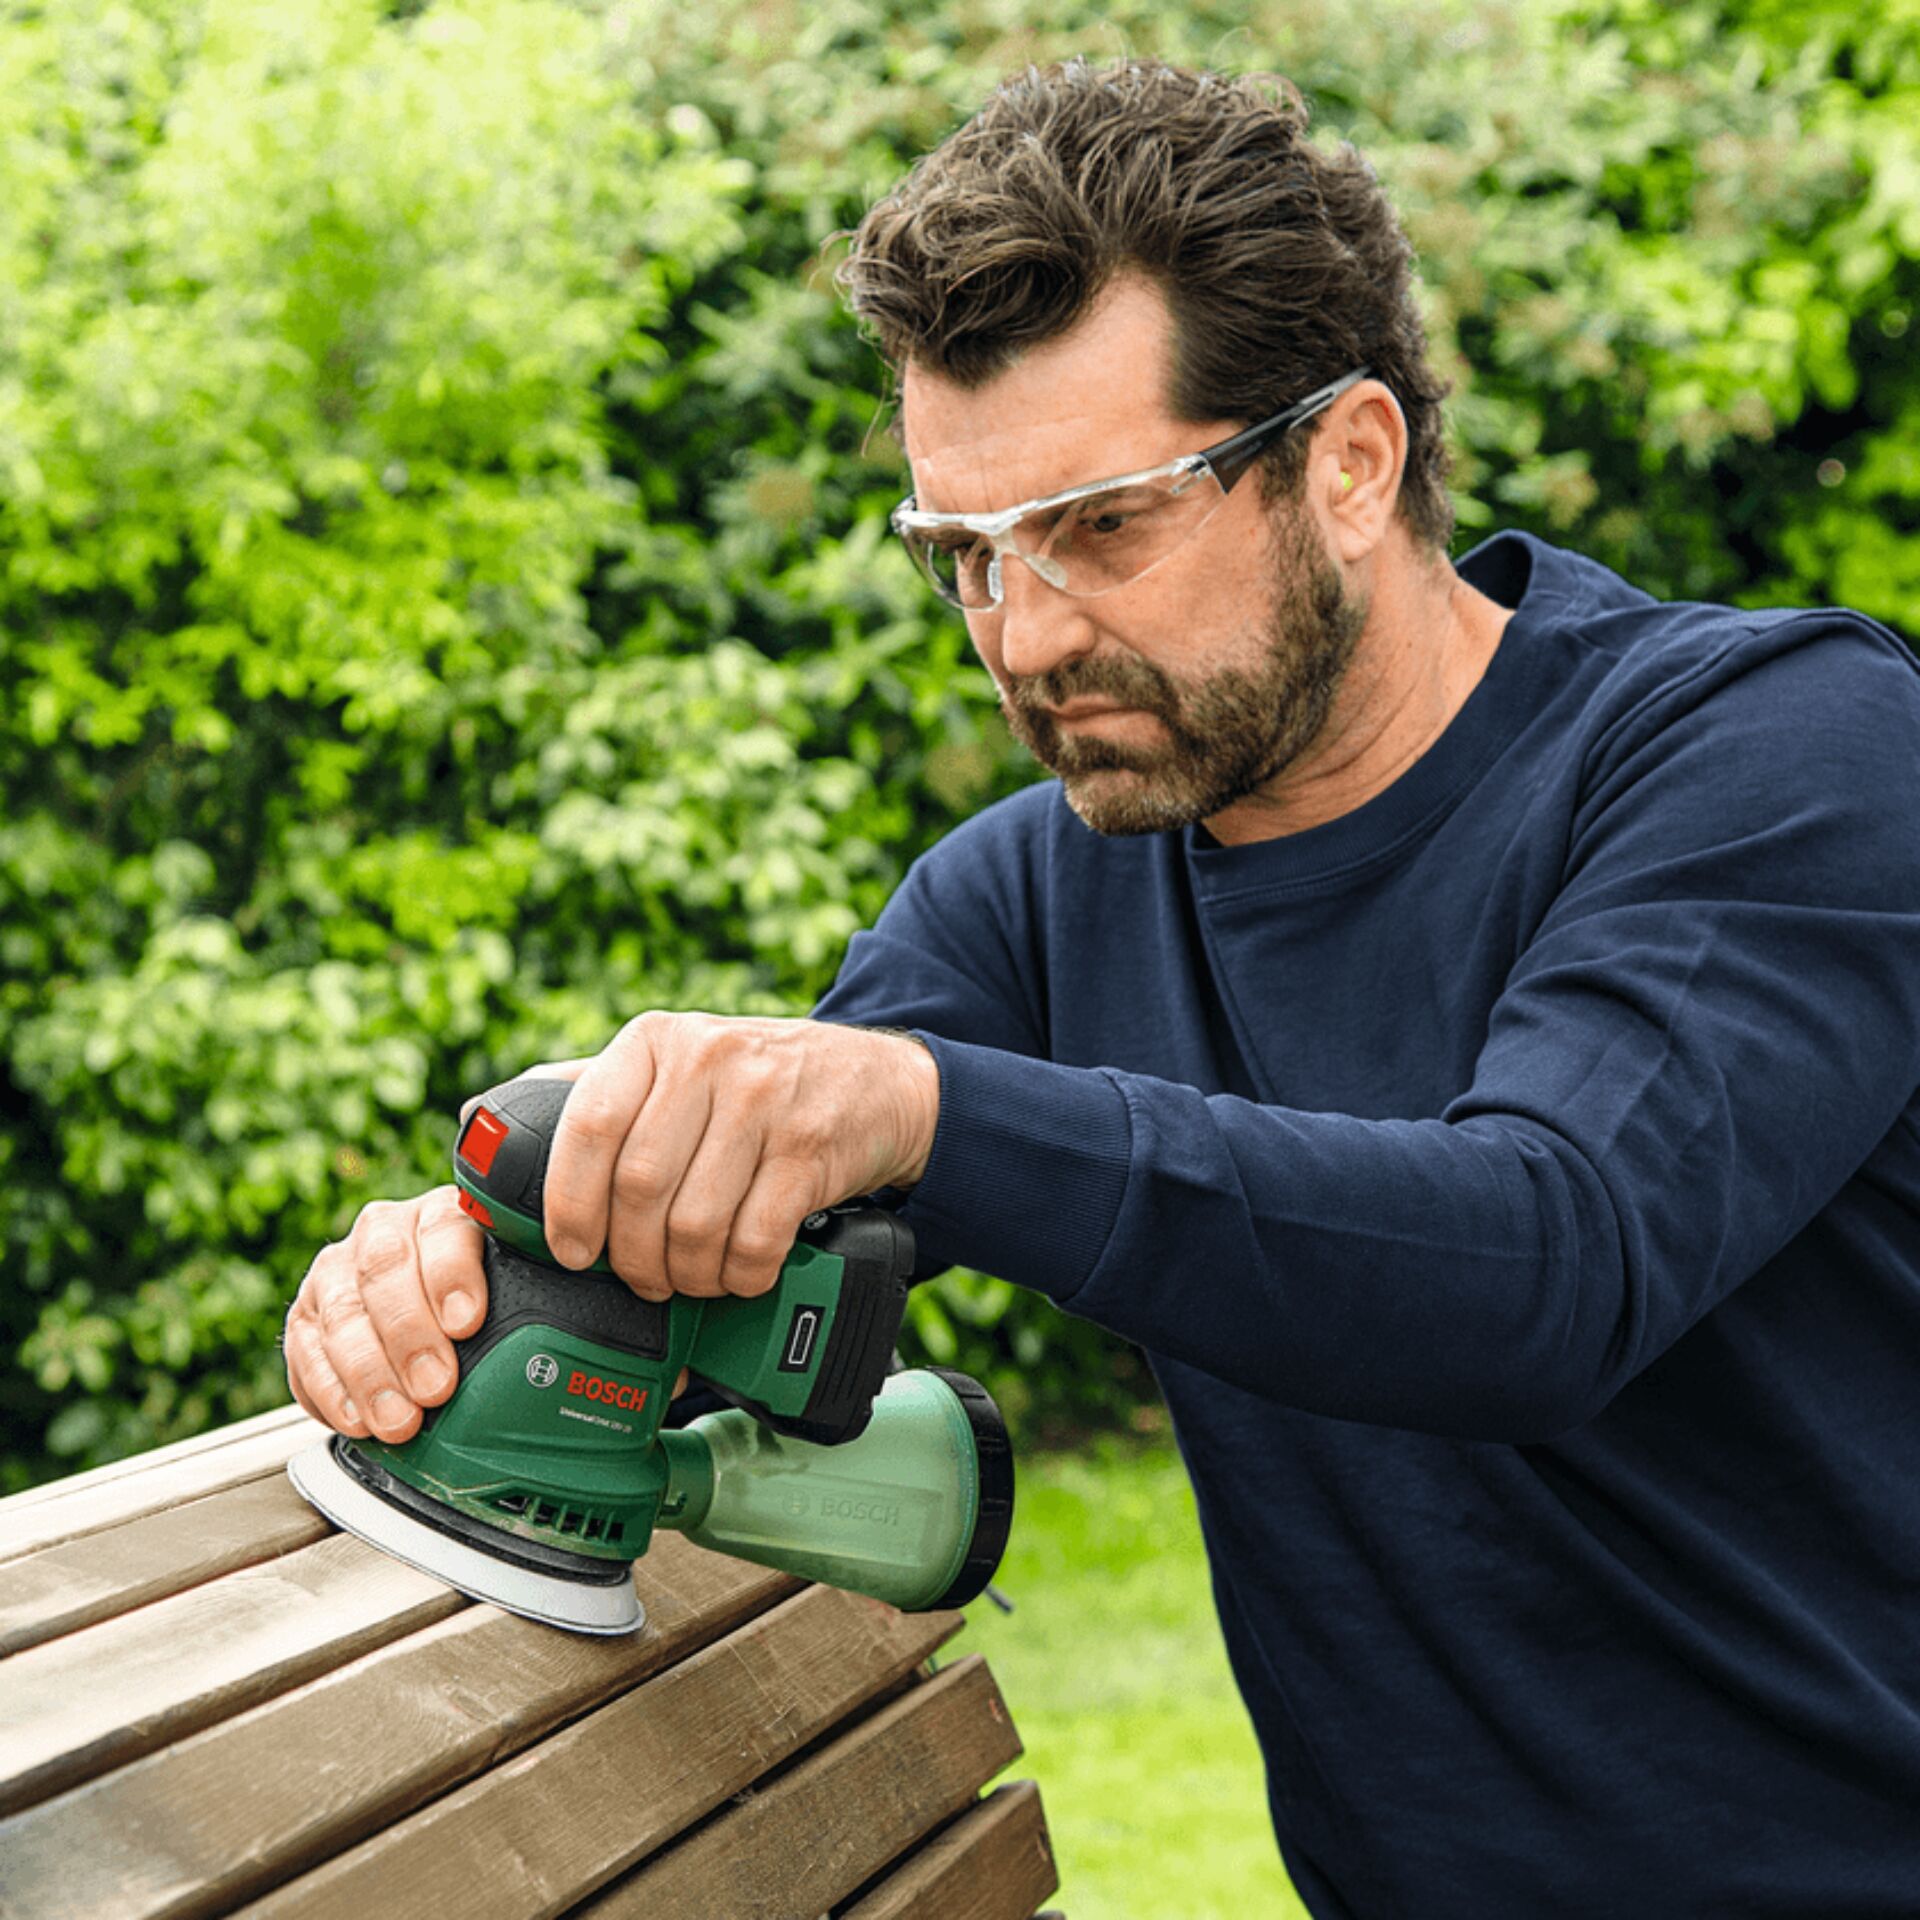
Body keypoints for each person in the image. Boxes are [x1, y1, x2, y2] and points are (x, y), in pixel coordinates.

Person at [281, 56, 1920, 1917]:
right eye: (964, 556)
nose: (1028, 635)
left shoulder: (1776, 755)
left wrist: (924, 1110)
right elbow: (740, 1200)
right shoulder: (1035, 900)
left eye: (1101, 526)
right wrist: (474, 1258)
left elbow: (1549, 1263)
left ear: (1350, 463)